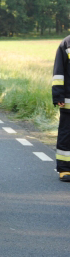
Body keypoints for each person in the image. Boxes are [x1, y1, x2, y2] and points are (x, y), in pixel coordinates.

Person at [52, 35, 70, 182]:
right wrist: (58, 95)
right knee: (66, 134)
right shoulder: (66, 43)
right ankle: (64, 168)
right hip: (69, 101)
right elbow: (59, 71)